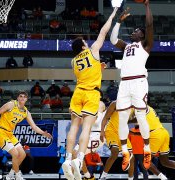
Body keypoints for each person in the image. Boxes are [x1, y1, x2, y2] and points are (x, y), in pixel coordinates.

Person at [61, 7, 118, 180]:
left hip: (78, 92)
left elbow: (86, 71)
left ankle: (67, 158)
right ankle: (79, 160)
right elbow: (103, 31)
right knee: (86, 127)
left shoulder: (73, 61)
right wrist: (113, 14)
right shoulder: (93, 50)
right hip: (91, 93)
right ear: (84, 45)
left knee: (74, 127)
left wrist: (98, 68)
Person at [110, 0, 154, 171]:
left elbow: (149, 25)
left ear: (141, 36)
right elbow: (113, 39)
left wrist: (147, 5)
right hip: (124, 84)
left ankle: (147, 148)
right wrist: (119, 21)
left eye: (136, 31)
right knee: (122, 118)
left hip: (139, 82)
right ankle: (124, 152)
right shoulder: (126, 46)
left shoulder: (145, 45)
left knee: (141, 117)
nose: (134, 32)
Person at [0, 91, 52, 180]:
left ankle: (10, 175)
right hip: (0, 132)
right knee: (15, 153)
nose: (22, 98)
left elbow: (34, 127)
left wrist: (44, 133)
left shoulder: (26, 112)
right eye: (20, 96)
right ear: (18, 98)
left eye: (24, 96)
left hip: (10, 134)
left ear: (26, 99)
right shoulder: (11, 104)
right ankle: (18, 175)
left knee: (22, 154)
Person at [132, 106, 173, 180]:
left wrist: (124, 120)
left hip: (155, 135)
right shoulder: (149, 108)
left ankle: (163, 178)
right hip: (163, 132)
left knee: (145, 161)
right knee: (165, 162)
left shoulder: (141, 107)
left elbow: (135, 120)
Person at [99, 101, 134, 180]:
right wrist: (102, 131)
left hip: (123, 133)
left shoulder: (134, 106)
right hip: (111, 131)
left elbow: (128, 119)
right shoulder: (115, 103)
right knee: (115, 151)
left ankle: (130, 178)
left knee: (132, 157)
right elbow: (105, 118)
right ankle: (103, 175)